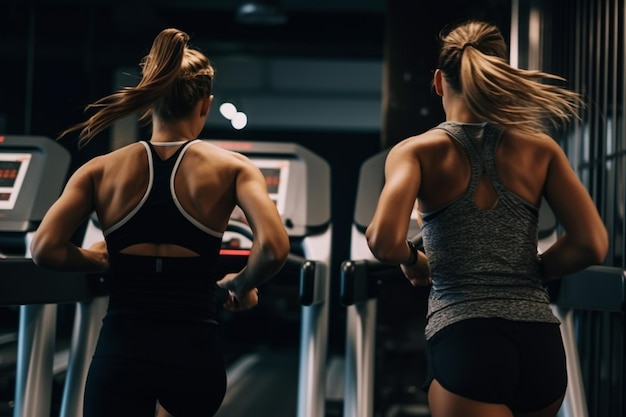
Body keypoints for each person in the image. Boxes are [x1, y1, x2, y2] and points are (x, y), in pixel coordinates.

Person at [30, 28, 290, 417]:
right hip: (193, 352)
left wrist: (96, 260)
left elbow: (44, 249)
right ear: (206, 105)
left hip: (121, 350)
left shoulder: (99, 170)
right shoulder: (234, 169)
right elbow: (273, 247)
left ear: (149, 102)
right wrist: (241, 285)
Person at [365, 19, 608, 417]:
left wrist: (413, 260)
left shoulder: (417, 151)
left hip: (467, 338)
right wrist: (532, 271)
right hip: (540, 344)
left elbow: (383, 240)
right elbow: (591, 243)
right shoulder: (540, 149)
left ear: (440, 82)